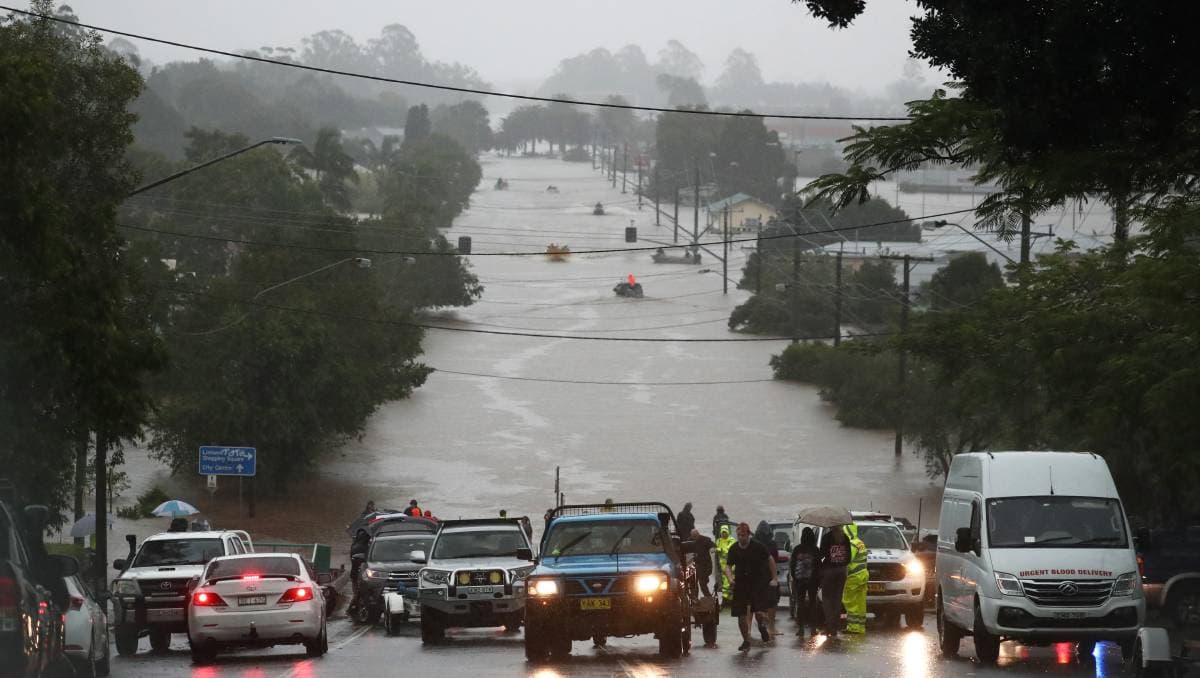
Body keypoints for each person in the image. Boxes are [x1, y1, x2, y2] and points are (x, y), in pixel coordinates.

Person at [723, 522, 777, 652]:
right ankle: (746, 640)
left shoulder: (757, 546)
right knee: (741, 614)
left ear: (748, 534)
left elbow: (770, 559)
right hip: (741, 584)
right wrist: (730, 579)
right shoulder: (734, 548)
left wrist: (774, 578)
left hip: (757, 583)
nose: (741, 538)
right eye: (739, 535)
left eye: (743, 535)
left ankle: (761, 625)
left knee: (758, 612)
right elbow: (728, 566)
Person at [819, 525, 851, 637]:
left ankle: (829, 626)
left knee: (827, 599)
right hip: (842, 571)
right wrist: (841, 564)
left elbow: (821, 554)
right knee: (837, 599)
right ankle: (835, 628)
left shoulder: (827, 537)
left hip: (829, 571)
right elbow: (849, 558)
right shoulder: (845, 538)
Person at [790, 527, 822, 635]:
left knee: (800, 603)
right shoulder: (815, 549)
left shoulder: (797, 549)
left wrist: (795, 578)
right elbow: (818, 566)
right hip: (812, 581)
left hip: (799, 581)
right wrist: (818, 580)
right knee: (813, 603)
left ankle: (801, 629)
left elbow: (792, 565)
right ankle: (813, 628)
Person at [754, 521, 782, 636]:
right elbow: (775, 560)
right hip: (769, 576)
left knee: (755, 602)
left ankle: (755, 624)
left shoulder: (753, 543)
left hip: (755, 577)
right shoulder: (772, 544)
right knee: (772, 602)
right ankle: (771, 627)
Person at [841, 523, 869, 634]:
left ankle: (853, 627)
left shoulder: (851, 544)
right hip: (863, 575)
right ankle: (861, 627)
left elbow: (847, 559)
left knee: (850, 601)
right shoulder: (860, 543)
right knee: (861, 602)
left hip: (854, 577)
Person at [688, 528, 716, 597]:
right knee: (693, 584)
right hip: (693, 565)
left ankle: (708, 598)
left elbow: (713, 545)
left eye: (695, 536)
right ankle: (695, 599)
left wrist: (712, 548)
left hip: (704, 565)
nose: (694, 538)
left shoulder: (705, 540)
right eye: (693, 536)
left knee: (702, 583)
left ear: (698, 534)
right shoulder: (689, 541)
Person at [714, 524, 736, 605]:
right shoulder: (718, 541)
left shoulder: (732, 540)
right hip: (722, 567)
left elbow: (728, 551)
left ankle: (726, 599)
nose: (723, 534)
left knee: (728, 583)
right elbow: (715, 549)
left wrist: (720, 550)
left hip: (731, 566)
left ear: (727, 532)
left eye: (725, 532)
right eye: (722, 532)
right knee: (725, 583)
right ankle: (729, 599)